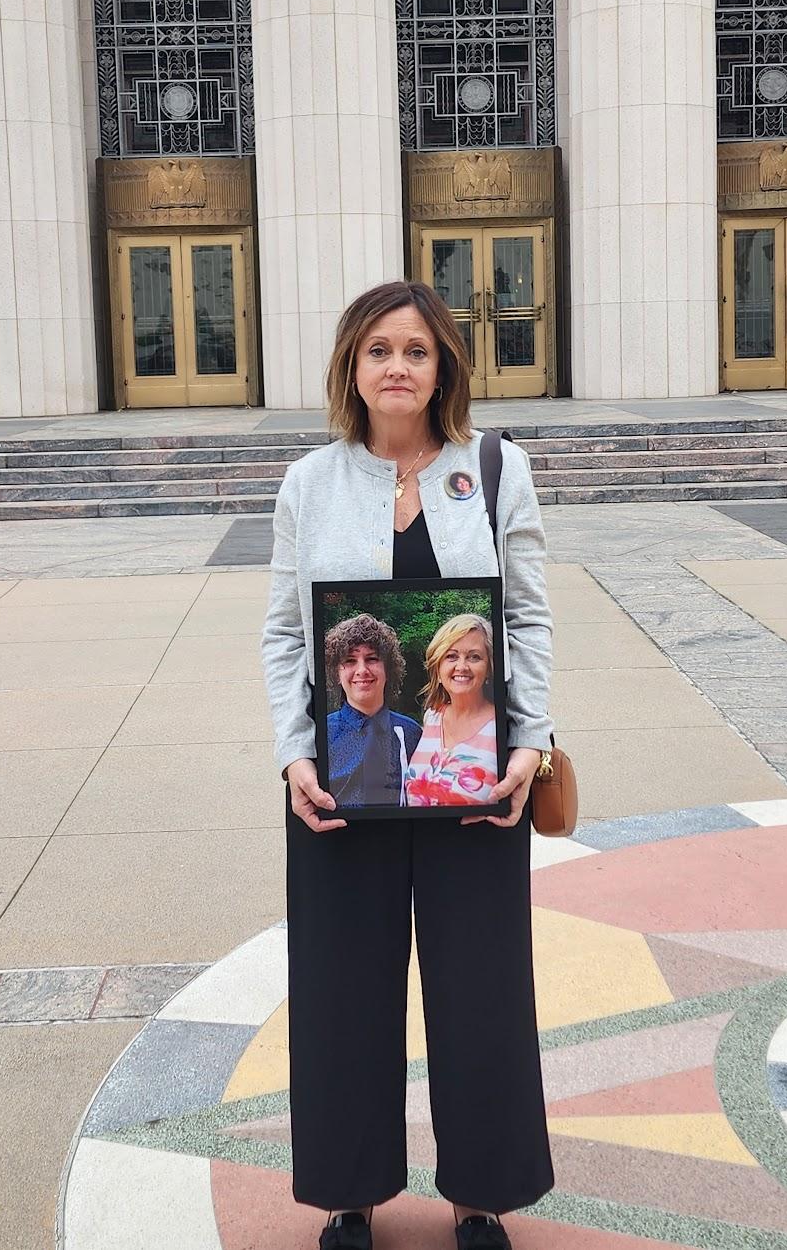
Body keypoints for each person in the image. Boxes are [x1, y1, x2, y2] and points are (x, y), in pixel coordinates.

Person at [261, 280, 555, 1250]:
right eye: (378, 348)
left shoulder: (497, 468)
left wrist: (529, 739)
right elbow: (279, 633)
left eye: (417, 350)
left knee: (481, 990)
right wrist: (292, 756)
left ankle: (481, 1195)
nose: (397, 366)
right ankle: (351, 1193)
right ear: (351, 364)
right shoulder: (308, 483)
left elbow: (530, 616)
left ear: (444, 368)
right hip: (341, 783)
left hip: (472, 782)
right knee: (343, 991)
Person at [325, 613, 423, 806]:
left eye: (371, 659)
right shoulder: (321, 734)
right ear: (336, 673)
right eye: (350, 661)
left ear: (388, 669)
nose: (362, 670)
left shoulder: (412, 733)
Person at [405, 613, 499, 808]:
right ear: (438, 669)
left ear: (489, 668)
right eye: (451, 656)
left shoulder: (502, 724)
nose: (462, 666)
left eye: (474, 657)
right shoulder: (432, 716)